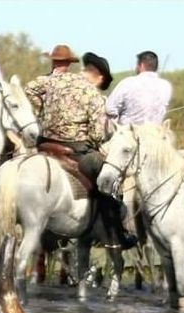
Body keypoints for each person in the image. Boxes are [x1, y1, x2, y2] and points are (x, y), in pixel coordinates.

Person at [27, 45, 122, 240]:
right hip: (75, 148)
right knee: (107, 175)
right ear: (98, 76)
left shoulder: (52, 80)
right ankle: (112, 231)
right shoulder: (92, 93)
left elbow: (29, 90)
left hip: (44, 143)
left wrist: (41, 110)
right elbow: (97, 135)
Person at [103, 49, 170, 127]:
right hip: (154, 136)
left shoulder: (128, 83)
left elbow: (110, 108)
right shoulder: (166, 86)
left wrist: (115, 127)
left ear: (141, 65)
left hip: (129, 135)